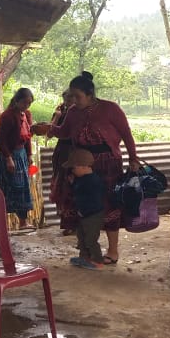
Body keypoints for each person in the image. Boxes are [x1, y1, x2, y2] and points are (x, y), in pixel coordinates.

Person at [41, 71, 140, 265]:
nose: (74, 100)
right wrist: (50, 129)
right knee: (81, 204)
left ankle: (112, 251)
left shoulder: (110, 109)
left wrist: (133, 158)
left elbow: (126, 134)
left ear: (90, 95)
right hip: (81, 164)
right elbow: (65, 132)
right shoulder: (72, 112)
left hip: (108, 163)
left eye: (78, 96)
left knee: (109, 204)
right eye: (72, 96)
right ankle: (86, 249)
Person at [0, 87, 35, 230]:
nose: (26, 106)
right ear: (17, 100)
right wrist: (8, 158)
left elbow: (28, 137)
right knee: (12, 187)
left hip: (21, 154)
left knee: (22, 187)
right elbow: (0, 140)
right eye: (24, 102)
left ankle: (23, 222)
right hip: (9, 155)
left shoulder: (27, 115)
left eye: (29, 103)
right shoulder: (7, 116)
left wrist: (29, 154)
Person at [65, 149, 106, 270]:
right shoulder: (81, 179)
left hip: (93, 215)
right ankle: (84, 257)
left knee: (91, 239)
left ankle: (98, 261)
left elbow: (94, 199)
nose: (72, 170)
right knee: (81, 237)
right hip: (84, 214)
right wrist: (73, 183)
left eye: (74, 167)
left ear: (83, 167)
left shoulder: (94, 181)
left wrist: (85, 210)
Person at [48, 89, 77, 236]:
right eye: (66, 100)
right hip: (63, 153)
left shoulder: (81, 112)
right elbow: (49, 133)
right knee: (63, 186)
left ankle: (80, 222)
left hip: (77, 152)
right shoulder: (61, 112)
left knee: (76, 186)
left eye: (71, 99)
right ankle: (68, 223)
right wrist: (57, 117)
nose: (68, 103)